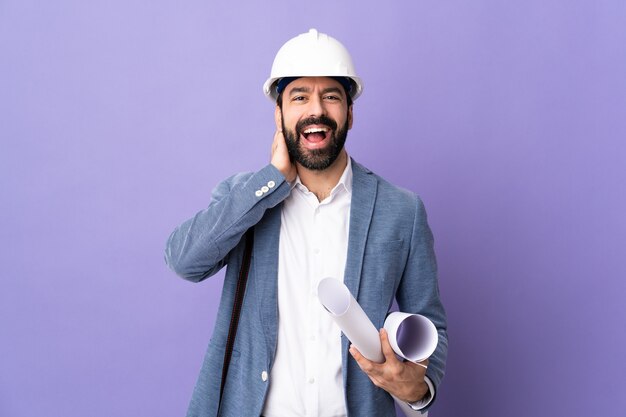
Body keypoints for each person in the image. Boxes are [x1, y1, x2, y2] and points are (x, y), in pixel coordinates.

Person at [165, 28, 448, 417]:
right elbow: (184, 261)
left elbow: (430, 321)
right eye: (299, 96)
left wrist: (418, 388)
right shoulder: (245, 196)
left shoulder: (401, 209)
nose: (316, 110)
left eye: (331, 96)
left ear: (350, 113)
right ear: (279, 114)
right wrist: (270, 181)